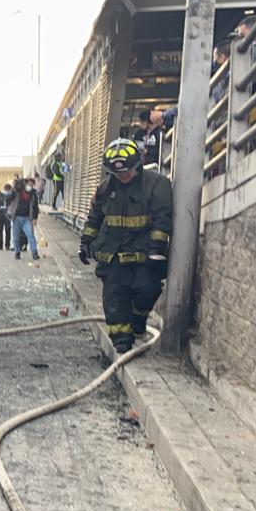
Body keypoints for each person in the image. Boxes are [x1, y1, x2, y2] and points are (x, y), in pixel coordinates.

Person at [79, 138, 173, 354]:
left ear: (137, 164)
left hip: (144, 254)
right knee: (114, 297)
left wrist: (157, 249)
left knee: (147, 289)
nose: (124, 177)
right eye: (118, 174)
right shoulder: (104, 189)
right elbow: (94, 219)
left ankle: (138, 321)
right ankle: (121, 339)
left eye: (127, 172)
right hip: (113, 256)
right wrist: (85, 242)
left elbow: (162, 218)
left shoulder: (156, 184)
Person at [11, 177, 40, 260]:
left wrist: (35, 218)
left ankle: (34, 253)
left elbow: (35, 207)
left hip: (27, 218)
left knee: (30, 235)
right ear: (25, 184)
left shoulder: (33, 194)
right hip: (16, 217)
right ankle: (17, 252)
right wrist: (14, 190)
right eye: (29, 184)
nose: (30, 186)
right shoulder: (18, 192)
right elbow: (9, 199)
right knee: (16, 237)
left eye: (32, 185)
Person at [0, 182, 14, 250]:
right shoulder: (11, 196)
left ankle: (1, 245)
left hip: (1, 214)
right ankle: (6, 245)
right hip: (7, 215)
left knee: (1, 230)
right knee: (6, 230)